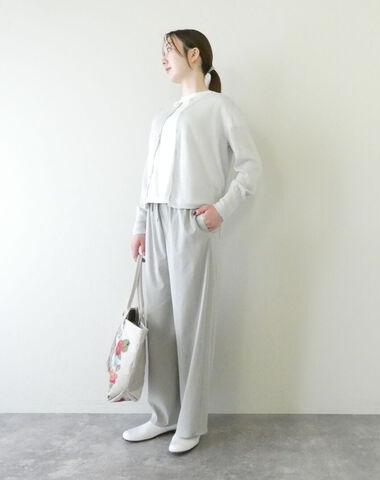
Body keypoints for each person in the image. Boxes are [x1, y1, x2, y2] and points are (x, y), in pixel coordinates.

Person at [122, 29, 263, 454]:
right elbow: (149, 176)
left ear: (194, 55)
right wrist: (140, 224)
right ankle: (163, 415)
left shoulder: (220, 107)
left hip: (192, 221)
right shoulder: (162, 116)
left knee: (192, 324)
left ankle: (191, 422)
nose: (163, 59)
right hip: (157, 221)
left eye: (170, 50)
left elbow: (251, 167)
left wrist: (222, 208)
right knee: (160, 322)